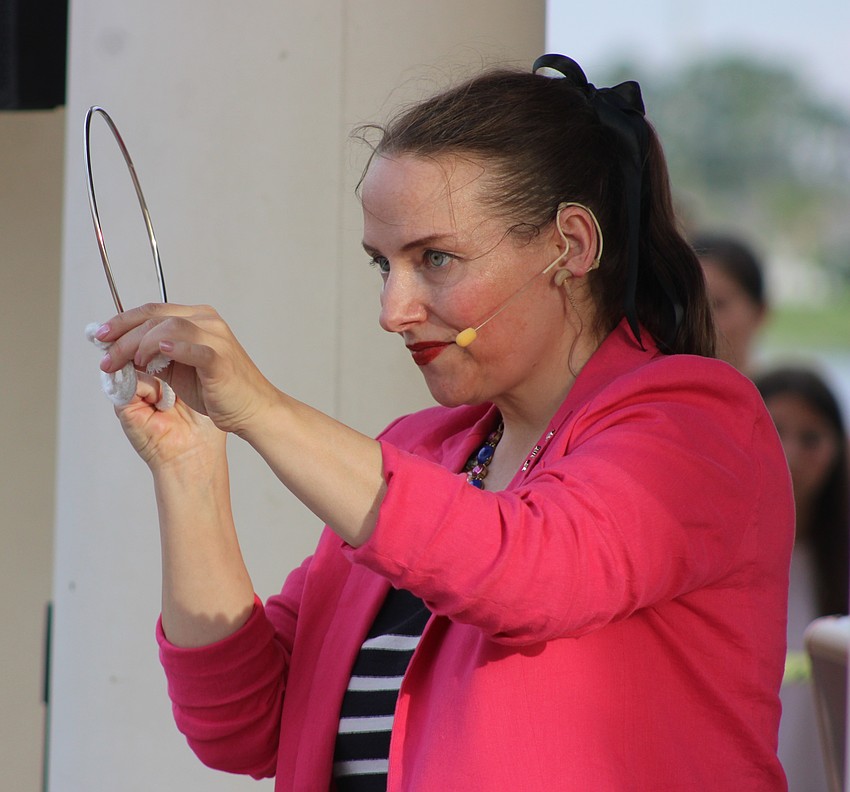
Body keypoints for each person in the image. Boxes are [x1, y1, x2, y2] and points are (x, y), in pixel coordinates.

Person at [94, 54, 794, 791]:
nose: (393, 310)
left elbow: (526, 575)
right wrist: (190, 469)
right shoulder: (418, 451)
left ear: (571, 245)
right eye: (383, 265)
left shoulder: (697, 420)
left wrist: (263, 409)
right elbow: (244, 726)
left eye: (435, 258)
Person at [756, 366, 849, 792]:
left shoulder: (838, 562)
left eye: (811, 439)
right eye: (774, 431)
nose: (790, 454)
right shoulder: (705, 555)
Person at [692, 233, 768, 376]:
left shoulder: (784, 389)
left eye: (717, 304)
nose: (700, 322)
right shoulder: (655, 387)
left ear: (760, 313)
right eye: (690, 307)